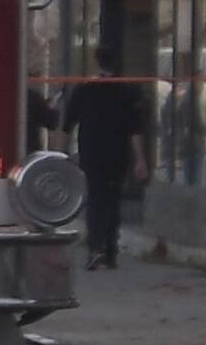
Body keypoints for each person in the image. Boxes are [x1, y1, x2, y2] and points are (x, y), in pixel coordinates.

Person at [61, 43, 148, 272]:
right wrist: (140, 159)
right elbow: (135, 130)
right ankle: (110, 249)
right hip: (118, 154)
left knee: (96, 199)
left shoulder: (84, 90)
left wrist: (63, 154)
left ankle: (95, 247)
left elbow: (67, 125)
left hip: (91, 153)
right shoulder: (128, 92)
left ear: (97, 61)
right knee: (113, 199)